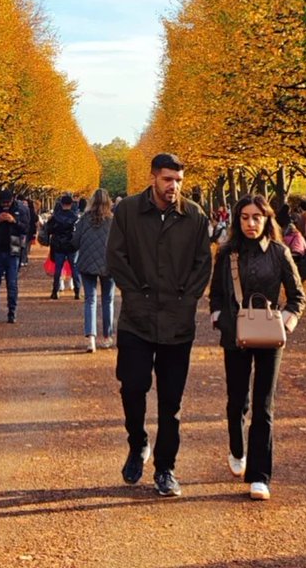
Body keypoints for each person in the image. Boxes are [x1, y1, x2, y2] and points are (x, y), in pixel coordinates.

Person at [106, 152, 212, 498]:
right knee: (132, 387)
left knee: (171, 402)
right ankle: (137, 443)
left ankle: (165, 468)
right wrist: (136, 295)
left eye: (179, 180)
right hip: (137, 318)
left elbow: (202, 264)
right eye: (168, 179)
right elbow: (116, 258)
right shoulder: (128, 212)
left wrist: (187, 300)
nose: (174, 186)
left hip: (177, 322)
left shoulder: (194, 216)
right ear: (153, 177)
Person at [209, 194, 305, 501]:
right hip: (234, 334)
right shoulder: (227, 254)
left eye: (257, 217)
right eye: (245, 217)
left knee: (265, 406)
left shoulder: (279, 252)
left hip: (269, 335)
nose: (251, 223)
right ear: (238, 220)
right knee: (238, 400)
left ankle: (260, 476)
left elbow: (297, 296)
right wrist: (221, 321)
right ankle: (237, 449)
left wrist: (285, 325)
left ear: (266, 220)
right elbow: (216, 296)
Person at [72, 187, 115, 352]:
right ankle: (107, 337)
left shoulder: (84, 219)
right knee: (108, 300)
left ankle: (91, 338)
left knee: (90, 300)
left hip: (87, 262)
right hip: (108, 264)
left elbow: (75, 242)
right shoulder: (113, 221)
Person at [0, 188, 29, 323]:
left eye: (8, 203)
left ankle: (12, 312)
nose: (5, 205)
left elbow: (25, 228)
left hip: (13, 251)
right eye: (3, 203)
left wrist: (14, 221)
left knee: (12, 284)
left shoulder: (20, 211)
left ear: (12, 200)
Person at [46, 193, 81, 299]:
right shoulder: (75, 217)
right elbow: (79, 232)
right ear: (71, 204)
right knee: (74, 268)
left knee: (58, 269)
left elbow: (49, 230)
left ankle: (55, 291)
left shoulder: (55, 217)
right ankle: (77, 291)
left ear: (61, 204)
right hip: (71, 245)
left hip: (59, 245)